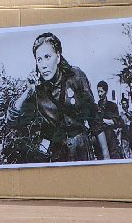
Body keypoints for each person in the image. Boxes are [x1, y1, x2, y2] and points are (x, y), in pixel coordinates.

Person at [8, 32, 107, 162]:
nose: (43, 64)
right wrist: (28, 91)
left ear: (58, 57)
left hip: (81, 149)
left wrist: (106, 156)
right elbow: (11, 120)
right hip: (56, 153)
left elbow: (94, 119)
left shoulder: (75, 77)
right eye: (39, 59)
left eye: (47, 57)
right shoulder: (36, 88)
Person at [95, 80, 125, 158]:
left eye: (101, 91)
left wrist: (102, 121)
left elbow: (116, 122)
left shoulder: (112, 106)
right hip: (99, 141)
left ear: (106, 91)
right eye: (98, 91)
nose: (99, 94)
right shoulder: (96, 106)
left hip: (111, 139)